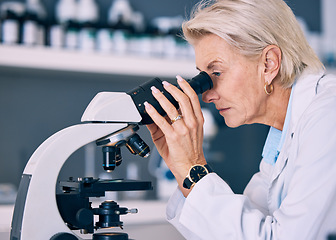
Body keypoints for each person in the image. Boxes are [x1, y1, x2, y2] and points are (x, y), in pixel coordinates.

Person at [143, 0, 336, 239]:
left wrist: (194, 168)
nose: (206, 94)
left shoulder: (328, 114)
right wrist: (181, 167)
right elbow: (242, 229)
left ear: (268, 64)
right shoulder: (282, 134)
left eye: (216, 73)